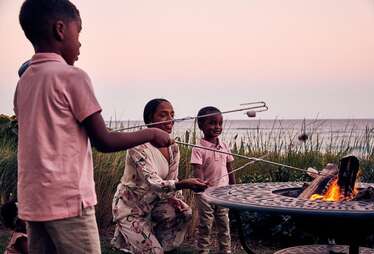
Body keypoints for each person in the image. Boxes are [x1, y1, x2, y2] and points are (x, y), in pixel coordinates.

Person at [15, 1, 172, 253]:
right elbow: (104, 141)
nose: (80, 43)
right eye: (79, 33)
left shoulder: (24, 83)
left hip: (33, 203)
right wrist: (152, 133)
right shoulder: (72, 76)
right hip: (69, 203)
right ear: (60, 30)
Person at [111, 98, 208, 254]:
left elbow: (173, 181)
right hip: (130, 208)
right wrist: (184, 184)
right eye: (163, 115)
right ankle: (132, 236)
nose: (170, 120)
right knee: (154, 251)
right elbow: (154, 182)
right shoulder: (137, 146)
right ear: (150, 120)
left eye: (172, 114)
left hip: (154, 204)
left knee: (184, 212)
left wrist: (181, 196)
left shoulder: (173, 147)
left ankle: (154, 244)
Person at [190, 106, 236, 254]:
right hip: (204, 195)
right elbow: (198, 171)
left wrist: (233, 187)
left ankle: (225, 250)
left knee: (224, 224)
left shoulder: (224, 146)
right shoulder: (198, 148)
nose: (217, 127)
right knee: (205, 225)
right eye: (212, 123)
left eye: (220, 123)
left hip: (223, 192)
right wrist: (203, 188)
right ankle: (203, 250)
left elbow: (230, 168)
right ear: (201, 126)